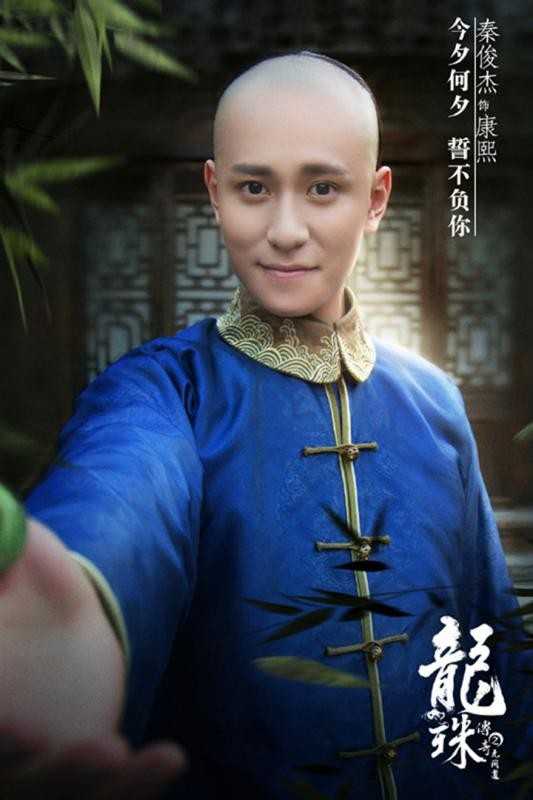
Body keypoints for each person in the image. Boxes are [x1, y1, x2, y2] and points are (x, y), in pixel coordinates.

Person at [0, 50, 531, 800]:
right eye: (254, 187)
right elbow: (115, 501)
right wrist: (73, 618)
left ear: (375, 200)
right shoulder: (162, 393)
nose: (285, 230)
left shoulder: (435, 402)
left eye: (322, 188)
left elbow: (490, 650)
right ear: (214, 193)